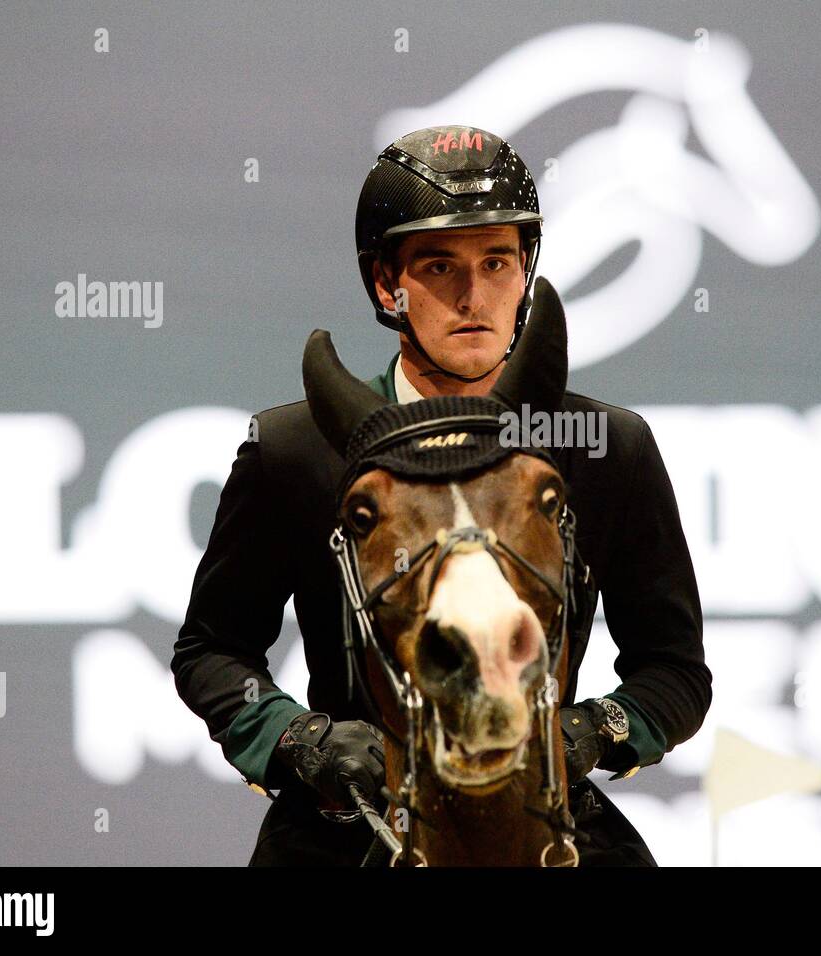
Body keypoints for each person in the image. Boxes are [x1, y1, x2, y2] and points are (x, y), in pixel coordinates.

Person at [171, 126, 711, 866]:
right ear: (386, 284)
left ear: (527, 273)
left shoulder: (606, 446)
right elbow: (211, 650)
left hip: (541, 814)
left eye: (497, 261)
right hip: (344, 825)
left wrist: (585, 734)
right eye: (437, 265)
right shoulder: (293, 451)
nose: (472, 296)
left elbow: (675, 672)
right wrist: (303, 744)